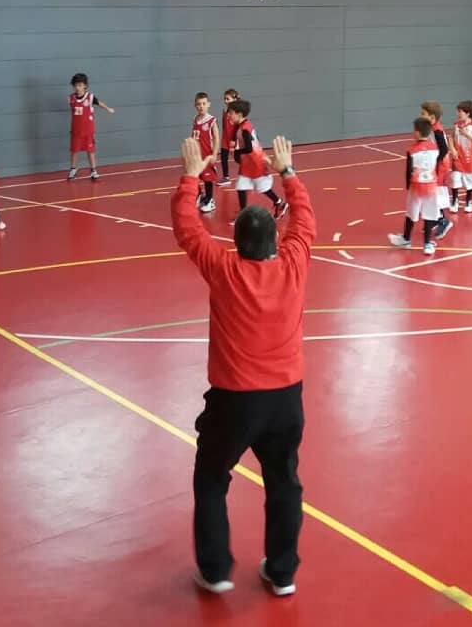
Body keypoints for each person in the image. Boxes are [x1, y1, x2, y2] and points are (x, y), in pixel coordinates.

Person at [171, 134, 314, 598]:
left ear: (236, 243)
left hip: (234, 401)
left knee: (212, 476)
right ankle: (283, 571)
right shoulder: (293, 263)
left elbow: (187, 228)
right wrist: (287, 173)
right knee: (284, 481)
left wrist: (190, 177)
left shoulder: (223, 268)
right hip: (286, 399)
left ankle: (215, 570)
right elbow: (306, 221)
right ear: (276, 240)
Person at [388, 117, 442, 254]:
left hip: (416, 186)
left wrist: (408, 186)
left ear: (417, 133)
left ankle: (406, 239)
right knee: (430, 214)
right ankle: (427, 244)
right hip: (431, 184)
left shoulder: (412, 150)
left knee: (411, 212)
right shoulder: (435, 148)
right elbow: (438, 165)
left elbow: (408, 170)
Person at [227, 99, 288, 218]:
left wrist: (237, 151)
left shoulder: (244, 129)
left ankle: (279, 203)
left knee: (263, 188)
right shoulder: (244, 125)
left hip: (255, 163)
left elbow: (249, 148)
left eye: (231, 113)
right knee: (241, 187)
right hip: (249, 163)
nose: (229, 115)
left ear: (239, 114)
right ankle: (244, 213)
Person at [68, 73, 115, 180]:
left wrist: (108, 108)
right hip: (76, 130)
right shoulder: (71, 98)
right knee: (74, 150)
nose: (77, 87)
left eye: (80, 85)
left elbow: (99, 103)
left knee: (90, 150)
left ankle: (93, 170)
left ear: (85, 86)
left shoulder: (90, 97)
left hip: (88, 130)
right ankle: (73, 169)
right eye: (75, 85)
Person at [419, 101, 453, 239]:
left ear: (432, 118)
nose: (420, 116)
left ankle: (443, 221)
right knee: (430, 192)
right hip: (436, 164)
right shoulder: (430, 128)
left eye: (423, 114)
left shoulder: (437, 130)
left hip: (441, 165)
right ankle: (434, 219)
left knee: (435, 194)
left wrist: (435, 163)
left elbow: (444, 149)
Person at [450, 100, 472, 214]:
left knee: (470, 182)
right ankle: (455, 200)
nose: (458, 114)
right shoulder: (456, 125)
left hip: (469, 159)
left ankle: (469, 200)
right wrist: (452, 149)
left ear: (468, 113)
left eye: (460, 111)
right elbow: (451, 137)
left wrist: (467, 135)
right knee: (455, 179)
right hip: (457, 158)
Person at [192, 92, 221, 212]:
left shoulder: (211, 120)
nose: (201, 106)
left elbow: (216, 138)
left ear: (208, 104)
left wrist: (214, 154)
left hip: (207, 155)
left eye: (204, 104)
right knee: (194, 176)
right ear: (195, 105)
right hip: (197, 154)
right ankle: (200, 194)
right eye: (199, 104)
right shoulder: (195, 119)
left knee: (207, 178)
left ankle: (210, 200)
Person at [218, 88, 239, 186]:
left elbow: (238, 126)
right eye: (225, 99)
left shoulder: (237, 111)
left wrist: (234, 139)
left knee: (238, 157)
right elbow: (224, 123)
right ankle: (226, 177)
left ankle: (248, 173)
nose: (225, 101)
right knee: (223, 157)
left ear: (234, 99)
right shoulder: (225, 110)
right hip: (225, 138)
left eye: (228, 99)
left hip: (234, 138)